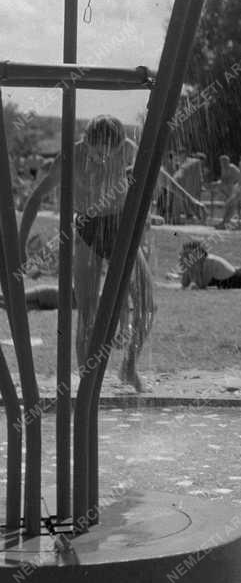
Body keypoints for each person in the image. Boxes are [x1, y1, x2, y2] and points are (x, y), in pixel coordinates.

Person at [19, 116, 157, 393]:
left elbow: (155, 174)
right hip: (87, 230)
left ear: (118, 147)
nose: (103, 160)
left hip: (120, 226)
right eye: (97, 154)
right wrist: (21, 245)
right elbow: (35, 198)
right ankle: (87, 381)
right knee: (87, 312)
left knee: (147, 307)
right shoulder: (70, 156)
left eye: (110, 154)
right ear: (87, 141)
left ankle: (128, 367)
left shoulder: (128, 148)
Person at [215, 155, 241, 229]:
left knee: (231, 208)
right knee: (228, 208)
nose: (222, 163)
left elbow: (240, 178)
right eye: (221, 162)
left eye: (224, 162)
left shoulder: (232, 168)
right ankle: (224, 223)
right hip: (227, 191)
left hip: (235, 190)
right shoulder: (223, 168)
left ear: (228, 161)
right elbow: (224, 179)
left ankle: (224, 223)